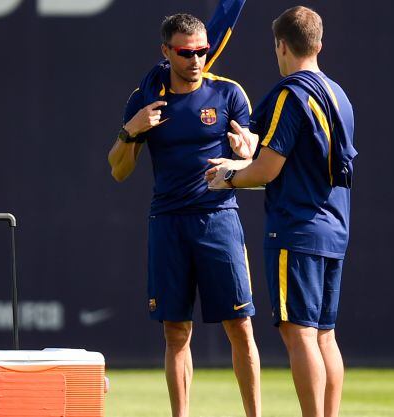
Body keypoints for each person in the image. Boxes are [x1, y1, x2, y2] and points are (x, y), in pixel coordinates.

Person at [107, 9, 261, 417]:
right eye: (186, 53)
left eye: (202, 52)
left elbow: (253, 156)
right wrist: (132, 130)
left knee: (241, 327)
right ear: (166, 52)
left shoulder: (228, 94)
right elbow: (119, 170)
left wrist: (246, 156)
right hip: (169, 223)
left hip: (218, 219)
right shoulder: (146, 98)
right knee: (176, 332)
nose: (195, 61)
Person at [207, 6, 357, 417]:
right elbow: (291, 157)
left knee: (299, 334)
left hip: (297, 229)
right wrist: (247, 156)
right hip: (334, 227)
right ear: (319, 44)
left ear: (281, 45)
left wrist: (230, 177)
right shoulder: (338, 93)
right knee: (325, 335)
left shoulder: (291, 93)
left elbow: (269, 170)